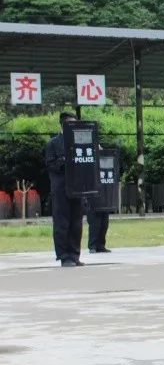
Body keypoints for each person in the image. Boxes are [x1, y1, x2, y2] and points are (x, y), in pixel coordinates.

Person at [45, 112, 84, 267]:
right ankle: (63, 256)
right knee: (62, 222)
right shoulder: (53, 143)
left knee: (76, 222)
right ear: (62, 125)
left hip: (78, 187)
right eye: (70, 124)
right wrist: (64, 160)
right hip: (61, 189)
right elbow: (51, 165)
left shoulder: (80, 143)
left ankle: (74, 255)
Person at [84, 145, 111, 254]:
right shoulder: (89, 165)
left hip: (104, 195)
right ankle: (92, 246)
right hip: (93, 196)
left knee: (104, 222)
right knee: (95, 222)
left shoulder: (104, 164)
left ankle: (101, 245)